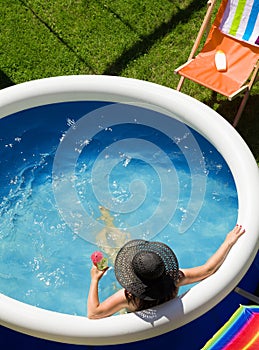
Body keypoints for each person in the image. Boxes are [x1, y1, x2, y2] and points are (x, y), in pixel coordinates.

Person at [87, 224, 245, 319]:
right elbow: (208, 270)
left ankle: (106, 225)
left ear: (134, 279)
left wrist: (95, 279)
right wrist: (228, 242)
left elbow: (94, 314)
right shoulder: (174, 280)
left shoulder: (130, 298)